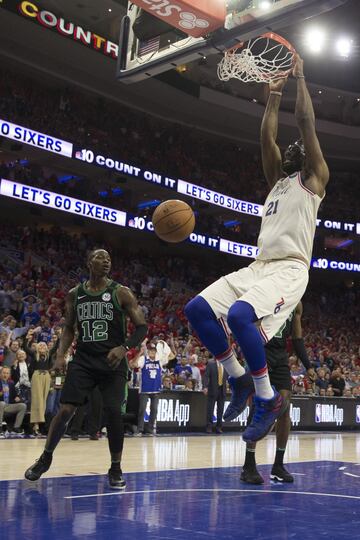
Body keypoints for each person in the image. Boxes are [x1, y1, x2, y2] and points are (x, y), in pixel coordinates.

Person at [185, 55, 329, 443]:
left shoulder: (314, 180)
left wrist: (299, 79)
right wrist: (273, 95)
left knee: (239, 315)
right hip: (260, 265)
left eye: (301, 147)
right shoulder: (275, 182)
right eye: (293, 147)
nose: (296, 147)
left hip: (290, 269)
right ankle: (239, 379)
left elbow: (305, 123)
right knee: (196, 309)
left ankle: (267, 399)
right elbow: (267, 139)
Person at [24, 249, 147, 489]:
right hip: (83, 360)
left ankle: (115, 467)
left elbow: (142, 327)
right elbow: (69, 327)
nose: (107, 262)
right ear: (89, 262)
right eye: (101, 258)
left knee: (113, 412)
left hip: (112, 362)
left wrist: (125, 348)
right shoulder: (74, 294)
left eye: (109, 259)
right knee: (66, 409)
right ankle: (45, 457)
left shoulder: (121, 292)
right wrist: (60, 354)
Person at [241, 302, 312, 484]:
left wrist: (308, 364)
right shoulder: (268, 290)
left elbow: (297, 338)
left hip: (280, 356)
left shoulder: (297, 302)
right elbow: (248, 323)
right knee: (259, 405)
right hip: (260, 351)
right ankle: (248, 465)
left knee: (285, 408)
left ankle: (278, 466)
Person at [133, 339, 172, 436]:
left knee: (154, 410)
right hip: (145, 389)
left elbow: (172, 356)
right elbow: (133, 364)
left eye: (154, 351)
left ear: (156, 352)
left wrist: (164, 345)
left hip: (156, 389)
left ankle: (150, 429)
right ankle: (140, 429)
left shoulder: (160, 361)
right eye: (150, 350)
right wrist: (140, 354)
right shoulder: (143, 359)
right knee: (142, 409)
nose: (151, 352)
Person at [203, 357, 228, 434]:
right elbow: (206, 376)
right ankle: (209, 427)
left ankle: (219, 427)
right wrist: (205, 387)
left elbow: (227, 377)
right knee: (210, 409)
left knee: (220, 410)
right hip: (212, 389)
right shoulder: (211, 364)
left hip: (222, 390)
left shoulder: (226, 365)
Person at [0, 366, 27, 435]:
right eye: (4, 373)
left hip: (8, 406)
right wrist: (2, 392)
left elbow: (14, 396)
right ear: (0, 373)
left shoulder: (11, 383)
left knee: (23, 406)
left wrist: (18, 398)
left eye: (7, 373)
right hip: (1, 405)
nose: (5, 375)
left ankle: (16, 427)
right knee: (2, 403)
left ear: (9, 375)